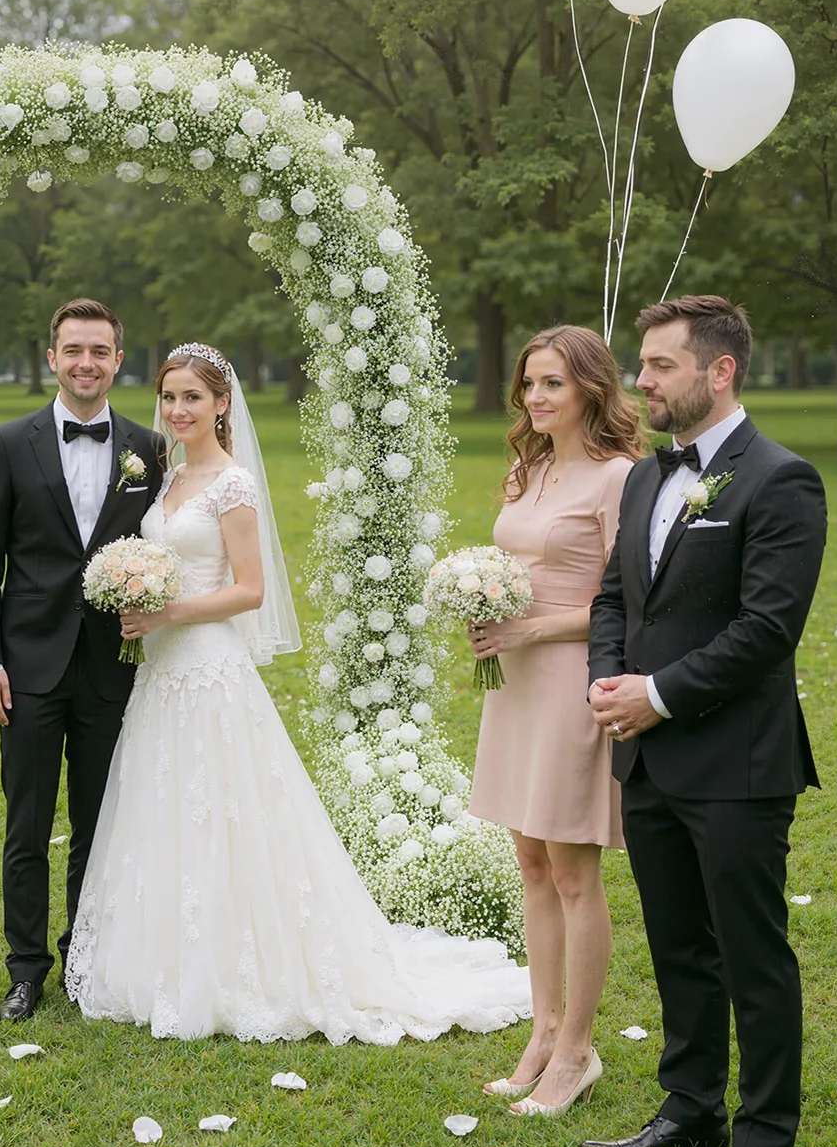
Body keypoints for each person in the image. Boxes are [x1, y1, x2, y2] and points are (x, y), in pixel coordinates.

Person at [64, 344, 532, 1044]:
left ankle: (243, 963)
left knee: (224, 809)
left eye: (193, 397)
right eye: (169, 397)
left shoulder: (232, 484)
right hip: (160, 670)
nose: (178, 410)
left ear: (222, 403)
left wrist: (167, 613)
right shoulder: (167, 477)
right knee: (164, 801)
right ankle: (163, 958)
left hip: (209, 664)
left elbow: (250, 590)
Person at [583, 296, 826, 1147]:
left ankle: (764, 1139)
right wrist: (608, 681)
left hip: (736, 764)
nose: (640, 380)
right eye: (642, 363)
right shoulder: (646, 478)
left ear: (719, 371)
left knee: (751, 954)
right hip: (646, 758)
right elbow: (616, 597)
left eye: (659, 365)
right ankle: (690, 1108)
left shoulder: (782, 480)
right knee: (679, 945)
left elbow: (767, 629)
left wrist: (656, 695)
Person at [0, 298, 166, 1022]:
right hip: (27, 668)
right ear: (53, 358)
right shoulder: (9, 442)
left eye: (100, 351)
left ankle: (84, 960)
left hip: (114, 664)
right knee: (26, 827)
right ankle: (25, 970)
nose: (87, 363)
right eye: (73, 350)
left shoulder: (150, 448)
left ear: (118, 360)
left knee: (98, 824)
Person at [465, 326, 642, 1116]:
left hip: (571, 678)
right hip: (514, 684)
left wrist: (531, 630)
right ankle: (542, 1033)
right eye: (530, 383)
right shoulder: (527, 468)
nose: (535, 397)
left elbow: (626, 599)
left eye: (553, 384)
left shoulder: (618, 478)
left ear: (590, 390)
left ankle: (577, 1049)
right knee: (531, 861)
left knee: (573, 870)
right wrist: (483, 602)